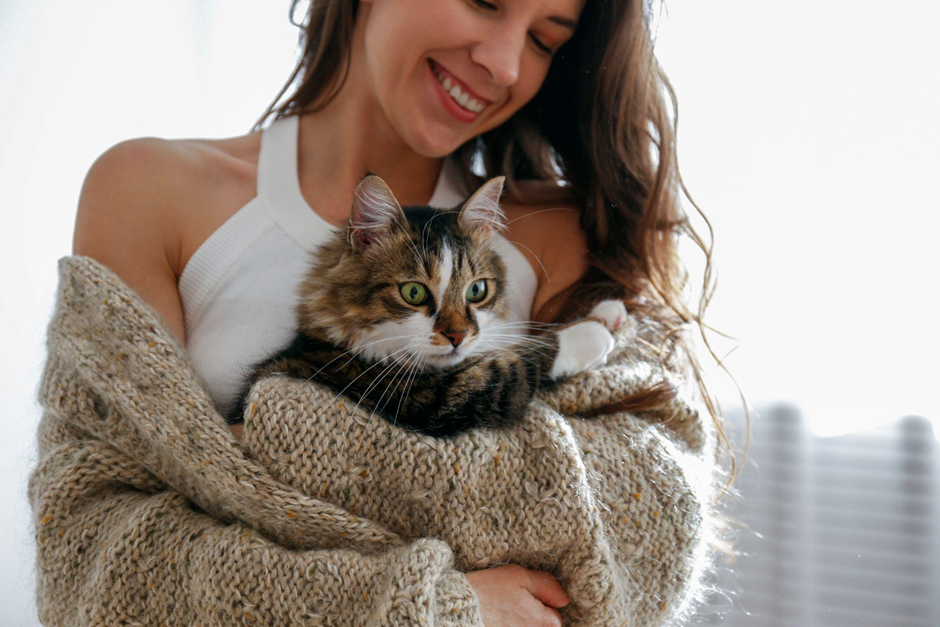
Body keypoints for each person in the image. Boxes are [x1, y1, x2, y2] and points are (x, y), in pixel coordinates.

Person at [70, 0, 729, 624]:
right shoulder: (146, 192)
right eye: (484, 1)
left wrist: (256, 456)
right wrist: (442, 606)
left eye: (543, 39)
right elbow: (100, 562)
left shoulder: (554, 230)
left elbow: (652, 524)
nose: (504, 66)